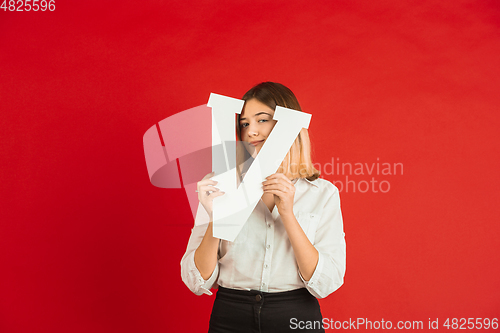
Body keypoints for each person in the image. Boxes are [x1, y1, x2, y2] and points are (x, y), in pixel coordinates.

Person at [181, 82, 346, 333]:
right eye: (245, 123)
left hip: (295, 316)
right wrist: (217, 217)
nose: (251, 132)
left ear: (288, 126)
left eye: (262, 120)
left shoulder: (322, 194)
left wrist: (288, 214)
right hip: (230, 317)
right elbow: (197, 280)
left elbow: (326, 283)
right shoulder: (220, 185)